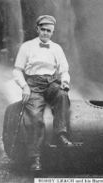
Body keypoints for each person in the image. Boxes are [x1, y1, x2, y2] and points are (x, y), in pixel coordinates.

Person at [13, 15, 73, 172]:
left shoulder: (56, 48)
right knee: (33, 115)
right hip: (33, 85)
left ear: (52, 32)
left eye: (49, 31)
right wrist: (24, 86)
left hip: (51, 83)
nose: (46, 33)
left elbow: (64, 70)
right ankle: (35, 158)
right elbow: (17, 70)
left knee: (62, 95)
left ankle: (61, 134)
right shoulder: (26, 47)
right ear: (37, 29)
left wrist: (65, 82)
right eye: (43, 30)